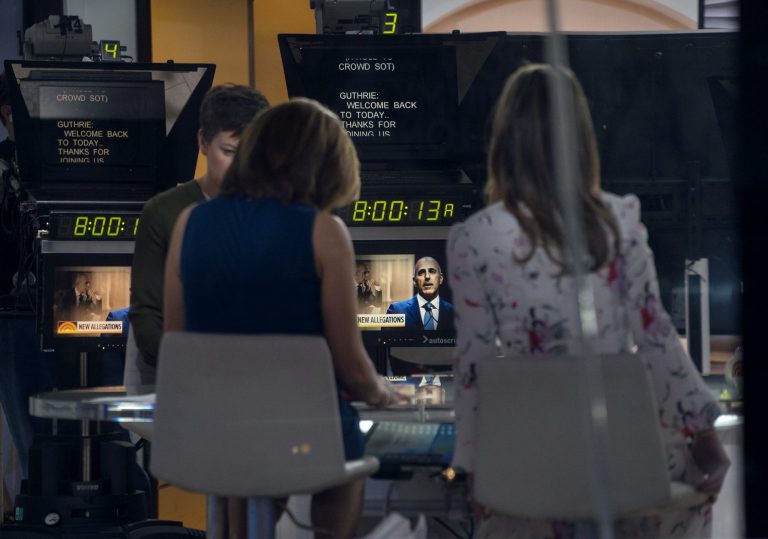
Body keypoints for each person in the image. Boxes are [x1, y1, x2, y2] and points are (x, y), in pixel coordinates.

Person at [446, 63, 730, 538]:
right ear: (581, 138)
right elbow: (658, 342)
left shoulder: (473, 239)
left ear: (504, 142)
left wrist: (475, 472)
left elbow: (472, 366)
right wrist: (707, 440)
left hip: (527, 466)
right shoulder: (620, 222)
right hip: (619, 462)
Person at [163, 98, 406, 539]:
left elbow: (176, 342)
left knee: (248, 462)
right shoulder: (324, 231)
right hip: (302, 437)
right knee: (345, 463)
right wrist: (384, 394)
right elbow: (350, 366)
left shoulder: (189, 222)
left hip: (211, 432)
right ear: (328, 164)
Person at [126, 84, 269, 386]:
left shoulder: (277, 212)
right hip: (176, 375)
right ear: (203, 142)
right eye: (229, 152)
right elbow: (147, 317)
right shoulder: (163, 213)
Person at [386, 256, 454, 330]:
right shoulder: (396, 311)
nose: (427, 276)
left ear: (440, 279)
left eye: (432, 271)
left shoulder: (454, 313)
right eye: (421, 273)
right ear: (414, 281)